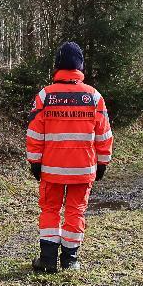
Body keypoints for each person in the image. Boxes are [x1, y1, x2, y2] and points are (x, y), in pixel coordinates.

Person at [26, 41, 113, 272]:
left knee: (50, 210)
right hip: (83, 169)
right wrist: (103, 161)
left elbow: (34, 133)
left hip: (51, 169)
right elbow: (104, 134)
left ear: (57, 66)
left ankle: (47, 260)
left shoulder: (45, 96)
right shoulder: (94, 97)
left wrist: (34, 161)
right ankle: (70, 260)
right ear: (80, 67)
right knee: (76, 211)